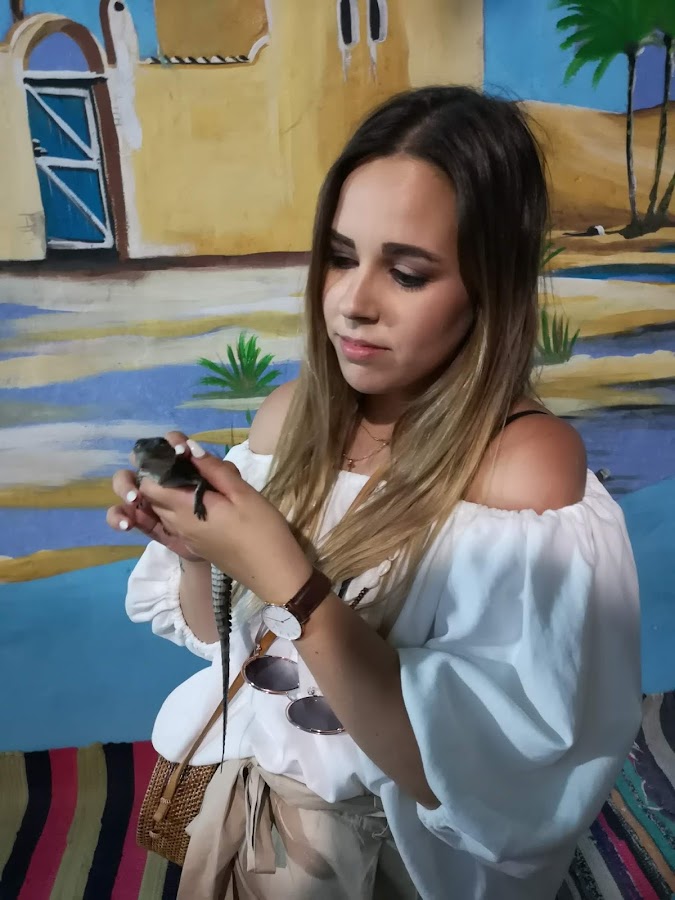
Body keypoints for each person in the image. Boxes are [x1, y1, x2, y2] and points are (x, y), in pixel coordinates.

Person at [107, 86, 642, 900]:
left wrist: (290, 580)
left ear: (489, 284)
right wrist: (197, 552)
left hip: (395, 863)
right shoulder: (288, 418)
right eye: (339, 256)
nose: (353, 303)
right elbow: (219, 639)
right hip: (251, 827)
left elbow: (466, 772)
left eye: (407, 272)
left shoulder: (521, 468)